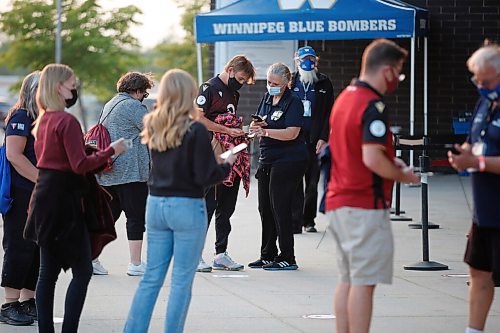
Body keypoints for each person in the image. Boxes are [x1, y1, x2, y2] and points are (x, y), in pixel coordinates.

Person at [124, 69, 236, 333]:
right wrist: (226, 164)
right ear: (187, 94)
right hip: (186, 206)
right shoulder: (195, 129)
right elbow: (206, 175)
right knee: (181, 281)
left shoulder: (153, 123)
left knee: (152, 278)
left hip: (156, 204)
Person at [23, 63, 127, 333]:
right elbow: (80, 165)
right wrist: (110, 151)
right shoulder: (66, 121)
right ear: (59, 87)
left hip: (43, 198)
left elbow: (60, 160)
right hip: (65, 201)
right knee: (82, 271)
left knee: (47, 273)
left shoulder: (43, 120)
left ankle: (46, 329)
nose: (75, 89)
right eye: (72, 85)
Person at [325, 39, 419, 333]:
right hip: (363, 204)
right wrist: (403, 175)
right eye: (400, 70)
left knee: (348, 278)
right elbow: (372, 157)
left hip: (339, 200)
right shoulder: (372, 105)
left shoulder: (345, 97)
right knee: (364, 283)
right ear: (388, 70)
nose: (399, 78)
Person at [448, 42, 500, 333]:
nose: (480, 85)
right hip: (484, 211)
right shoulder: (484, 103)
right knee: (479, 273)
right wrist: (463, 156)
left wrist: (477, 162)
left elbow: (482, 157)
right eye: (476, 79)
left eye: (487, 80)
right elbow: (473, 140)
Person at [194, 55, 255, 272]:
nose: (240, 83)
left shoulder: (233, 93)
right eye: (239, 78)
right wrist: (227, 130)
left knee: (227, 204)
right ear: (229, 70)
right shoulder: (208, 88)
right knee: (206, 204)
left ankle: (221, 253)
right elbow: (198, 119)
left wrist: (239, 132)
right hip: (209, 151)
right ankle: (195, 254)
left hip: (230, 151)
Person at [248, 63, 308, 271]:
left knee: (279, 206)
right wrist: (257, 126)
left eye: (276, 83)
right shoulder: (267, 98)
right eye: (269, 82)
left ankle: (287, 256)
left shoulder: (294, 102)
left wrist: (266, 132)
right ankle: (268, 253)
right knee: (264, 206)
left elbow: (292, 132)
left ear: (286, 83)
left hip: (289, 159)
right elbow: (264, 121)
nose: (271, 86)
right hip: (268, 157)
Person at [94, 71, 154, 276]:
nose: (143, 97)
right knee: (135, 217)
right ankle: (136, 264)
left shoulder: (110, 103)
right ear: (136, 91)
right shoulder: (132, 106)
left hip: (109, 171)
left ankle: (90, 258)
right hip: (130, 173)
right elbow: (153, 130)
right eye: (144, 94)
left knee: (108, 216)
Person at [0, 71, 40, 326]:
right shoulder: (21, 116)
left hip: (38, 195)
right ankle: (9, 304)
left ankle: (28, 300)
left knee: (35, 248)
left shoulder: (39, 118)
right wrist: (43, 180)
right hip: (21, 193)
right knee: (18, 247)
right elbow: (15, 155)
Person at [290, 46, 334, 233]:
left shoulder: (324, 82)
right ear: (297, 61)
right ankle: (295, 220)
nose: (308, 62)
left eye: (311, 58)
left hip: (316, 141)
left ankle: (309, 220)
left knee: (313, 184)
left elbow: (329, 114)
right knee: (295, 182)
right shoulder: (291, 81)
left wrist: (324, 138)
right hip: (295, 140)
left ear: (316, 60)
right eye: (304, 59)